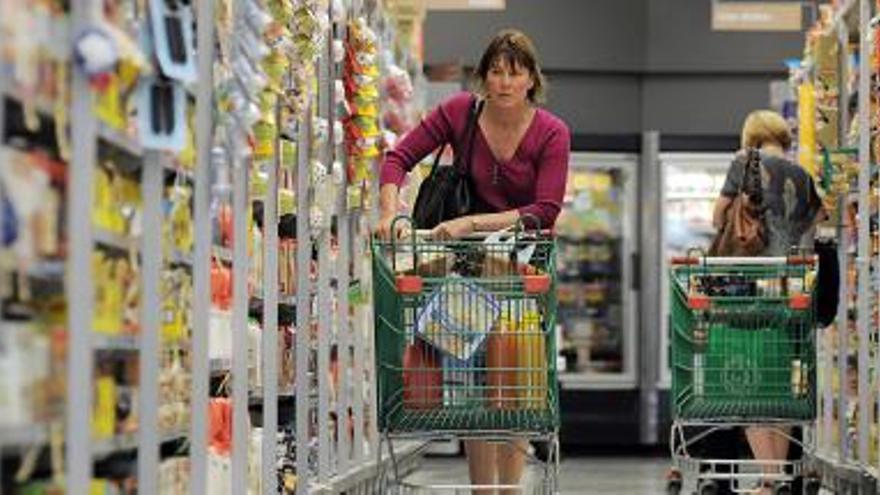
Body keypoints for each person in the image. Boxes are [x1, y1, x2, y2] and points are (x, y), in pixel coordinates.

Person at [377, 29, 570, 494]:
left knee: (516, 382)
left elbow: (544, 211)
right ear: (483, 76)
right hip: (463, 271)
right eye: (496, 71)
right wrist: (389, 214)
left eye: (515, 72)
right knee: (476, 385)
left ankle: (510, 486)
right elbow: (397, 157)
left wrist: (471, 224)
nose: (504, 82)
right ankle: (486, 491)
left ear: (531, 79)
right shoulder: (460, 112)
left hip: (523, 269)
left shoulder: (551, 132)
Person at [712, 110, 824, 494]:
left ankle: (769, 476)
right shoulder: (804, 176)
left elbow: (719, 217)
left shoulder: (745, 163)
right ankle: (778, 476)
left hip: (750, 288)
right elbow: (816, 224)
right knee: (781, 386)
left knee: (751, 382)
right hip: (791, 290)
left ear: (752, 136)